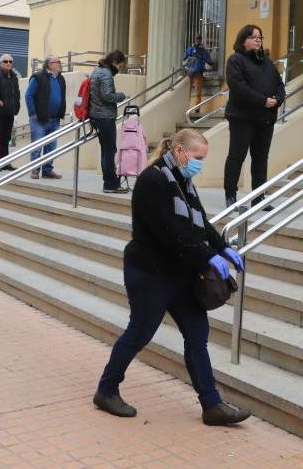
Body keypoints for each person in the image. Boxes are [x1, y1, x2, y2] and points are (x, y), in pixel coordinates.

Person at [94, 129, 250, 426]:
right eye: (197, 157)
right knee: (139, 332)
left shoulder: (183, 180)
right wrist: (208, 257)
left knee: (197, 337)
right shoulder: (152, 180)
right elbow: (169, 233)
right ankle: (106, 389)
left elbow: (201, 223)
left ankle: (212, 405)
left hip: (181, 273)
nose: (200, 164)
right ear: (179, 151)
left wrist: (224, 248)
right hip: (150, 272)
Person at [223, 24, 285, 209]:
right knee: (237, 157)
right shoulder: (236, 60)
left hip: (265, 119)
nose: (258, 39)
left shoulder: (267, 62)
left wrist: (277, 99)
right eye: (253, 36)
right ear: (243, 40)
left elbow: (279, 84)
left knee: (260, 158)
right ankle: (230, 196)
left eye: (260, 37)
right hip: (243, 117)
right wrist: (262, 100)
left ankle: (259, 198)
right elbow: (238, 86)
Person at [90, 50, 130, 193]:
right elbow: (107, 95)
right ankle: (111, 184)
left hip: (96, 115)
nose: (119, 70)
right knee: (109, 151)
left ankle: (109, 182)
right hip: (105, 116)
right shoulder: (106, 74)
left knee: (105, 150)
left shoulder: (97, 70)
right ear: (115, 62)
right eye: (120, 66)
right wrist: (122, 96)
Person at [26, 56, 67, 179]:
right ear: (49, 65)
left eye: (60, 62)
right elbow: (28, 95)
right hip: (39, 119)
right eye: (57, 62)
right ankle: (35, 170)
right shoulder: (38, 77)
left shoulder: (60, 78)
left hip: (55, 119)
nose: (60, 64)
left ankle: (47, 170)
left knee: (51, 147)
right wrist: (33, 112)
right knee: (37, 146)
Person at [0, 53, 21, 170]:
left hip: (10, 112)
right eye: (5, 62)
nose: (8, 64)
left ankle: (4, 162)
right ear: (1, 63)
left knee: (6, 138)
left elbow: (16, 94)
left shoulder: (14, 77)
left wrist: (17, 107)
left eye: (10, 62)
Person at [183, 35, 216, 104]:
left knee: (198, 92)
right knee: (187, 93)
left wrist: (206, 63)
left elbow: (209, 63)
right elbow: (184, 61)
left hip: (198, 73)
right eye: (197, 39)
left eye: (199, 39)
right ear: (194, 39)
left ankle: (197, 109)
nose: (198, 40)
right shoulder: (190, 49)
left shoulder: (203, 51)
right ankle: (186, 107)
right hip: (189, 73)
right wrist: (189, 60)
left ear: (201, 40)